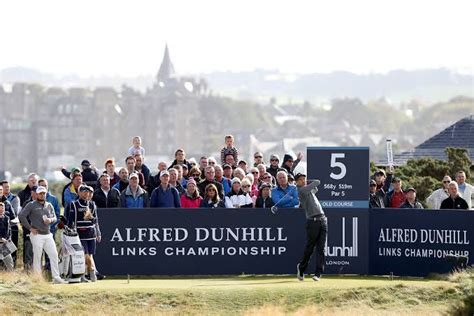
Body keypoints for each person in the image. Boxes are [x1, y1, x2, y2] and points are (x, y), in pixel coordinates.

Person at [18, 186, 66, 283]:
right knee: (37, 256)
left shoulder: (49, 205)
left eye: (44, 193)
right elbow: (22, 216)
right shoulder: (31, 204)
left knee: (54, 255)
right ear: (36, 194)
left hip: (48, 234)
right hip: (36, 235)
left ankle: (56, 278)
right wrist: (30, 228)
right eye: (40, 193)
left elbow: (55, 218)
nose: (42, 195)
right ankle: (38, 279)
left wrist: (50, 220)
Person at [294, 173, 327, 282]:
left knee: (321, 248)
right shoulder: (301, 191)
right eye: (301, 179)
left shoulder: (307, 190)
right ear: (296, 182)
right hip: (312, 222)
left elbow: (315, 189)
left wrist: (308, 183)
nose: (303, 181)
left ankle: (318, 273)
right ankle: (301, 268)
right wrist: (309, 182)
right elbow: (317, 182)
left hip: (322, 219)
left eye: (304, 179)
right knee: (310, 248)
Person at [67, 185, 101, 282]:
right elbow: (71, 221)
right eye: (84, 191)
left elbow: (95, 220)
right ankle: (92, 272)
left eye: (89, 192)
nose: (87, 194)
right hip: (80, 233)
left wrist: (97, 232)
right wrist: (69, 233)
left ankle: (85, 275)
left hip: (91, 233)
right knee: (84, 255)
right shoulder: (74, 204)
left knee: (90, 255)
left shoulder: (92, 204)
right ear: (79, 193)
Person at [1, 180, 20, 265]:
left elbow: (13, 216)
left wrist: (3, 214)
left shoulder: (8, 203)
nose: (1, 192)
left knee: (7, 259)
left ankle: (7, 275)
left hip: (5, 235)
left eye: (1, 190)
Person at [0, 202, 14, 271]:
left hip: (5, 244)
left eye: (3, 208)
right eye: (0, 208)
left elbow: (9, 230)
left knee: (9, 262)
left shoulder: (6, 218)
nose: (1, 210)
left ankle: (10, 279)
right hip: (0, 242)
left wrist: (9, 238)